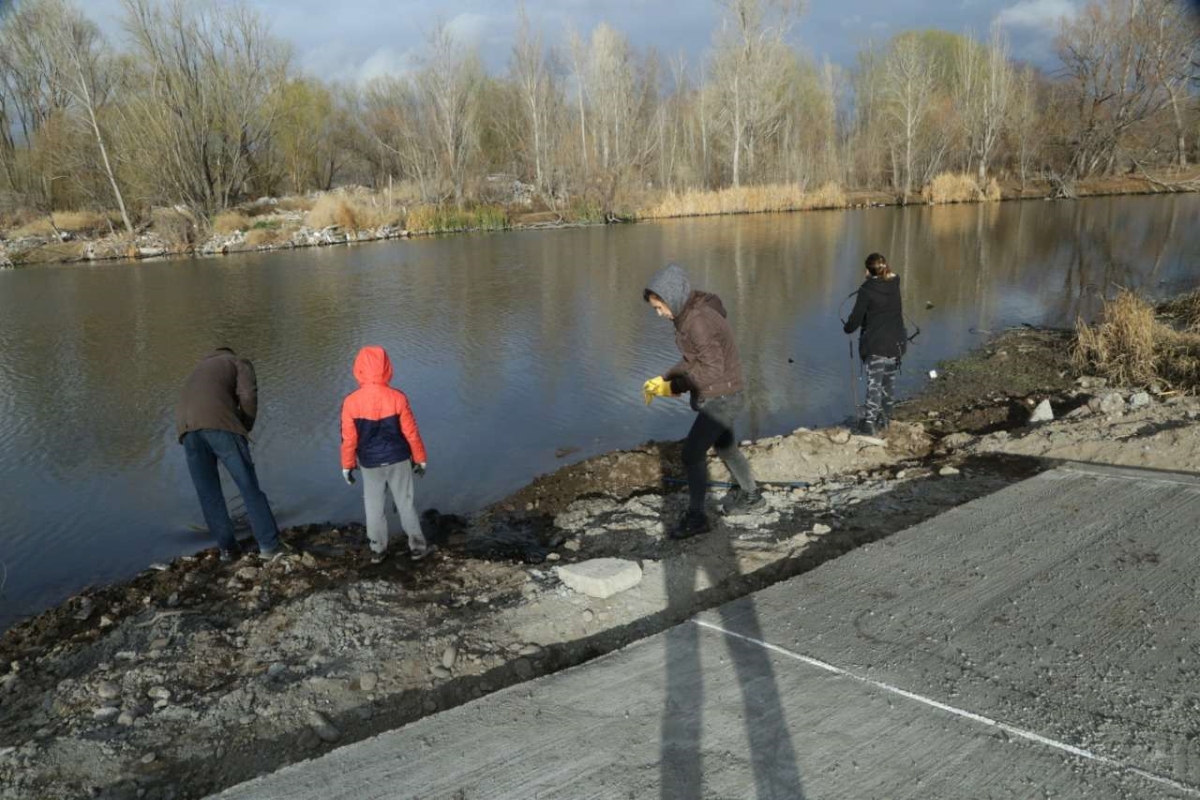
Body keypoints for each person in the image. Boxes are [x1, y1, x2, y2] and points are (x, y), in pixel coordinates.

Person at [643, 263, 765, 539]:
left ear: (672, 297)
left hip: (724, 396)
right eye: (656, 310)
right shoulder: (689, 316)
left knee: (691, 454)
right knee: (726, 447)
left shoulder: (696, 321)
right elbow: (693, 360)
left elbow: (711, 369)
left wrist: (675, 385)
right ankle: (752, 496)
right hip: (724, 392)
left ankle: (697, 517)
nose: (660, 314)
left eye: (659, 307)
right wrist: (665, 378)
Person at [176, 347, 283, 562]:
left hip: (186, 430)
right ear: (230, 353)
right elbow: (248, 394)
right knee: (248, 486)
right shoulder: (238, 362)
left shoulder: (198, 369)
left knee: (208, 494)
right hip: (220, 425)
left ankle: (228, 550)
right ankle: (269, 546)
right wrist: (245, 426)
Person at [340, 345, 431, 564]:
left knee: (373, 507)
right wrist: (420, 459)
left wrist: (347, 465)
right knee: (405, 503)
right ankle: (417, 547)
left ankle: (378, 550)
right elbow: (411, 432)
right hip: (399, 459)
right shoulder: (398, 397)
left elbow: (349, 439)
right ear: (387, 367)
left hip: (370, 463)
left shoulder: (351, 402)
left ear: (359, 369)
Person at [843, 252, 907, 435]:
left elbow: (854, 322)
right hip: (896, 343)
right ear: (886, 267)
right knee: (889, 383)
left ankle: (869, 424)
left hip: (876, 344)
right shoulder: (895, 283)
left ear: (867, 271)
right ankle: (885, 420)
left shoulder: (866, 290)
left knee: (874, 384)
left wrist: (847, 327)